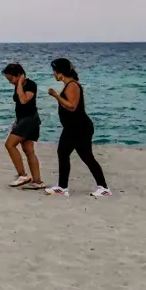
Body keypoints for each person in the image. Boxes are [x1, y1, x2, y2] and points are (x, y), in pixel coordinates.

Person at [44, 57, 111, 197]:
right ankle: (101, 187)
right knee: (81, 155)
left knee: (66, 153)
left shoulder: (72, 85)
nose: (53, 74)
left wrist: (56, 96)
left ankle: (64, 187)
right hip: (74, 127)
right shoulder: (69, 84)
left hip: (78, 127)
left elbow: (72, 106)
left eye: (55, 71)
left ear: (61, 72)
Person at [0, 63, 43, 188]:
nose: (10, 82)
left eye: (11, 79)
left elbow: (24, 100)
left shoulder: (30, 85)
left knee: (9, 144)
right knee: (28, 150)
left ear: (19, 75)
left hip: (30, 120)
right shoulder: (18, 86)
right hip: (23, 120)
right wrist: (17, 121)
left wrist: (19, 84)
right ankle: (37, 181)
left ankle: (22, 175)